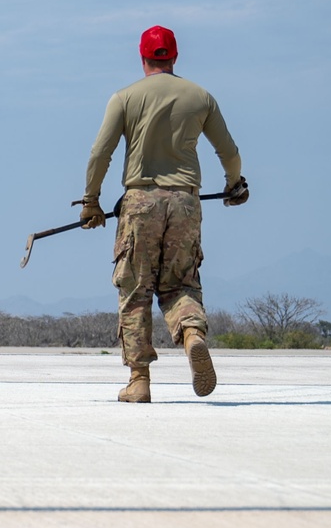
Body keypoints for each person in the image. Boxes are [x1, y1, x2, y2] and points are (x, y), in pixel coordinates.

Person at [78, 25, 249, 403]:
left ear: (142, 58)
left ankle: (139, 381)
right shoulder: (200, 97)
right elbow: (228, 151)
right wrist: (235, 184)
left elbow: (99, 154)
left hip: (140, 202)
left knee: (136, 290)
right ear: (174, 57)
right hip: (187, 202)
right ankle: (192, 336)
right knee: (181, 284)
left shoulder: (124, 97)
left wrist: (92, 201)